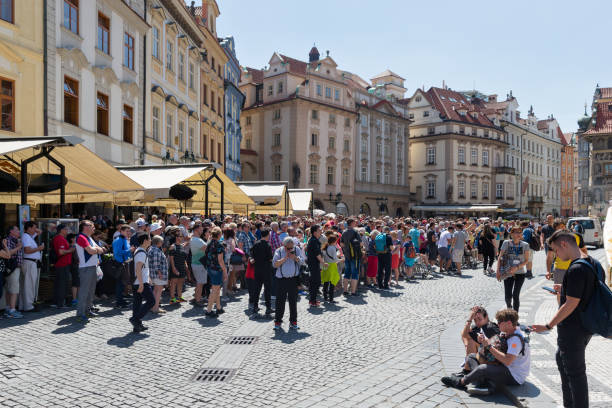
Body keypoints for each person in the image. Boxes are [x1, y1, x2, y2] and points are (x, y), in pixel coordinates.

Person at [532, 230, 599, 408]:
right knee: (562, 361)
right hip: (586, 326)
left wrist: (548, 325)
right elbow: (587, 291)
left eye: (556, 251)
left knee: (576, 374)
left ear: (564, 244)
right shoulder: (593, 262)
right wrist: (564, 287)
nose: (557, 256)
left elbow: (570, 304)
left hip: (573, 328)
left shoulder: (576, 268)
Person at [443, 308, 531, 396]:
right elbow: (494, 345)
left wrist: (488, 346)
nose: (498, 323)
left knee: (483, 368)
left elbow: (508, 361)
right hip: (503, 366)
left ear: (509, 323)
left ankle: (460, 383)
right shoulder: (507, 331)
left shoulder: (515, 340)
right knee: (471, 357)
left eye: (500, 322)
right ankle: (484, 383)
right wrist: (483, 341)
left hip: (514, 375)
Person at [75, 220, 105, 323]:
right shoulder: (81, 237)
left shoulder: (89, 238)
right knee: (84, 292)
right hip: (86, 268)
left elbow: (96, 249)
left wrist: (96, 249)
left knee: (91, 291)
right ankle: (80, 314)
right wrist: (97, 250)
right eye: (91, 226)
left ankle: (87, 310)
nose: (94, 228)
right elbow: (92, 251)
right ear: (85, 227)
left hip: (92, 267)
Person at [273, 236, 305, 330]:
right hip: (281, 280)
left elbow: (302, 262)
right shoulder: (279, 251)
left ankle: (293, 322)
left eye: (292, 247)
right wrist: (285, 258)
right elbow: (275, 264)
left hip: (293, 280)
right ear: (284, 245)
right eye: (288, 248)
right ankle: (278, 322)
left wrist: (295, 258)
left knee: (293, 302)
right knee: (280, 302)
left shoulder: (297, 249)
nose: (290, 249)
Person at [496, 227, 529, 312]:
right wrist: (498, 271)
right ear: (511, 234)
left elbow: (526, 260)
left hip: (520, 273)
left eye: (519, 232)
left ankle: (515, 315)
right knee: (508, 296)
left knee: (515, 295)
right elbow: (500, 257)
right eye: (515, 232)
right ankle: (509, 309)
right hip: (507, 272)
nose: (518, 234)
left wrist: (517, 267)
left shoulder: (525, 245)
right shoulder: (506, 243)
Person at [129, 232, 154, 333]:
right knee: (151, 301)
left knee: (137, 303)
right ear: (144, 241)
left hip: (140, 281)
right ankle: (135, 319)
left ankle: (137, 325)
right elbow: (138, 269)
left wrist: (148, 279)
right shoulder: (141, 252)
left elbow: (143, 269)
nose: (150, 241)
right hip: (140, 282)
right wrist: (141, 284)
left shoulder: (141, 251)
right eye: (149, 239)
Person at [19, 221, 44, 312]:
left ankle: (24, 305)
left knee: (27, 284)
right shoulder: (26, 236)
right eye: (33, 228)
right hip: (29, 262)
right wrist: (39, 248)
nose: (35, 230)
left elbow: (39, 231)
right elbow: (27, 251)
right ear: (29, 228)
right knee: (29, 285)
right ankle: (28, 306)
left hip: (30, 262)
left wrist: (31, 226)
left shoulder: (29, 236)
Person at [249, 228, 274, 316]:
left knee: (257, 288)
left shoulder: (256, 244)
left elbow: (251, 254)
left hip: (257, 269)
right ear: (267, 235)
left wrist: (253, 259)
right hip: (266, 269)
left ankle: (255, 306)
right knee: (267, 289)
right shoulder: (268, 245)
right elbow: (270, 258)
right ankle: (268, 308)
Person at [203, 227, 226, 318]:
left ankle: (219, 307)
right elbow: (220, 261)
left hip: (210, 268)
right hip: (217, 269)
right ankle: (209, 310)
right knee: (215, 289)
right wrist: (225, 271)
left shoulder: (209, 243)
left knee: (216, 288)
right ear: (219, 235)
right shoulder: (219, 245)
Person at [51, 224, 75, 308]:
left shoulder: (61, 238)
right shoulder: (59, 238)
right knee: (62, 284)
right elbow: (61, 252)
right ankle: (60, 303)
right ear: (61, 230)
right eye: (66, 229)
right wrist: (70, 250)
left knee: (60, 283)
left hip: (63, 264)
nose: (67, 230)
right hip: (62, 264)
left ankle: (57, 302)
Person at [1, 226, 23, 318]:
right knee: (13, 289)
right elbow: (8, 253)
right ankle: (12, 310)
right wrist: (18, 248)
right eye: (17, 230)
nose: (19, 231)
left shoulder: (16, 240)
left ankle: (8, 308)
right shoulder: (8, 240)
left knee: (10, 289)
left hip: (14, 268)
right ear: (11, 232)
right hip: (12, 268)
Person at [112, 225, 133, 309]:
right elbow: (117, 252)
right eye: (127, 231)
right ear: (121, 231)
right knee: (120, 284)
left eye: (129, 231)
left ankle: (121, 300)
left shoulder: (124, 240)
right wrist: (130, 250)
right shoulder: (118, 240)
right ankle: (119, 302)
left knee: (122, 283)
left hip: (124, 263)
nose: (129, 233)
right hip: (119, 264)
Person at [340, 218, 361, 296]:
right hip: (355, 256)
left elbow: (341, 244)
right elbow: (361, 244)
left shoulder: (344, 232)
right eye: (355, 222)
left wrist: (347, 249)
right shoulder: (355, 232)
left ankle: (345, 291)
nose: (355, 223)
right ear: (351, 223)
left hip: (347, 255)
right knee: (354, 273)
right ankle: (353, 291)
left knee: (347, 273)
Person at [306, 225, 325, 306]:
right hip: (313, 264)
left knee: (315, 282)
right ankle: (312, 301)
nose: (321, 231)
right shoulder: (314, 241)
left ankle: (313, 300)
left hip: (313, 263)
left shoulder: (314, 240)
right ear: (314, 232)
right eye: (319, 230)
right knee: (315, 282)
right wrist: (323, 262)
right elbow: (317, 254)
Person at [148, 235, 168, 314]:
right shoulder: (156, 250)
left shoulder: (151, 249)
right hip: (158, 274)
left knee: (155, 291)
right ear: (158, 242)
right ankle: (155, 308)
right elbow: (156, 264)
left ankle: (153, 307)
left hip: (154, 274)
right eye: (161, 241)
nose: (162, 243)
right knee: (158, 291)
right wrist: (159, 273)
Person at [189, 224, 208, 305]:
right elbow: (206, 249)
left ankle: (197, 297)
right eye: (200, 229)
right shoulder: (197, 240)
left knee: (199, 283)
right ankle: (198, 300)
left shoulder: (195, 239)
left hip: (197, 263)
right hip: (199, 263)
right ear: (196, 230)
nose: (202, 231)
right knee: (200, 283)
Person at [168, 233, 189, 304]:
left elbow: (183, 257)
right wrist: (173, 268)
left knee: (180, 283)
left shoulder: (182, 246)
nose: (182, 238)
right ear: (176, 237)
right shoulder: (172, 246)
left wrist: (186, 265)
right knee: (173, 283)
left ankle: (180, 297)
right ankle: (172, 299)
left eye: (182, 236)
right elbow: (171, 259)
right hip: (175, 267)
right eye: (180, 236)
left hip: (182, 267)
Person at [321, 234, 342, 303]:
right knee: (332, 283)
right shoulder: (332, 248)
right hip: (332, 266)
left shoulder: (325, 247)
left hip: (326, 265)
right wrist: (341, 259)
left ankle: (325, 297)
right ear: (334, 241)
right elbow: (335, 259)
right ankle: (331, 298)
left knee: (326, 282)